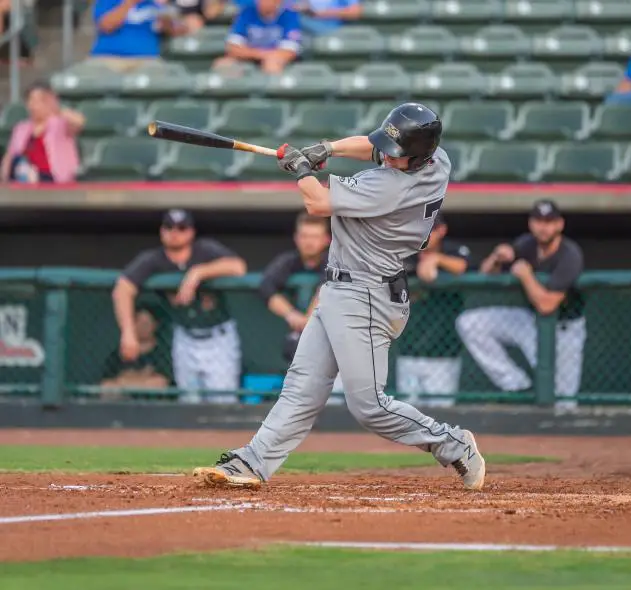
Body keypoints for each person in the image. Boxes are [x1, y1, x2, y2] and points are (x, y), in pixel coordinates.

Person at [194, 102, 486, 491]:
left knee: (370, 406)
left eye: (399, 155)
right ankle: (252, 461)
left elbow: (316, 201)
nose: (389, 158)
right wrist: (326, 149)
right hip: (342, 289)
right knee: (302, 387)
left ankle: (454, 444)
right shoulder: (437, 161)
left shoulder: (389, 187)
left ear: (419, 156)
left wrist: (300, 169)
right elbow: (373, 146)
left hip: (366, 295)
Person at [456, 200, 586, 410]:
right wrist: (497, 257)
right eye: (538, 221)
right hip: (530, 322)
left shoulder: (569, 254)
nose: (543, 227)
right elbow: (485, 272)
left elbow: (547, 305)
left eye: (549, 221)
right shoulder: (526, 244)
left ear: (559, 224)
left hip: (565, 329)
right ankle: (516, 385)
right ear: (531, 223)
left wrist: (526, 277)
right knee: (470, 323)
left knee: (564, 403)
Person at [112, 209, 247, 404]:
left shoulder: (205, 250)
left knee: (222, 405)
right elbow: (123, 288)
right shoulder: (154, 259)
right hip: (185, 338)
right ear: (161, 231)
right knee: (188, 404)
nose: (175, 232)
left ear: (191, 232)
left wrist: (198, 273)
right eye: (169, 227)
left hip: (218, 339)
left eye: (181, 228)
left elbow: (238, 267)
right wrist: (128, 332)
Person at [259, 212, 344, 395]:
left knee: (336, 400)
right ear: (296, 238)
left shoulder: (337, 259)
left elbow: (328, 287)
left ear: (326, 239)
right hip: (307, 344)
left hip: (338, 342)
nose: (309, 242)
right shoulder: (289, 262)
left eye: (314, 236)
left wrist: (307, 320)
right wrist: (291, 314)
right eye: (305, 236)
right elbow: (266, 287)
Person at [398, 212, 473, 407]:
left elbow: (463, 266)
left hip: (443, 357)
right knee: (405, 418)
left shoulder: (452, 250)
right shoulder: (405, 253)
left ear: (441, 231)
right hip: (408, 353)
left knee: (442, 419)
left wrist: (436, 259)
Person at [1, 82, 84, 184]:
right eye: (31, 100)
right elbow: (10, 156)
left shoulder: (61, 124)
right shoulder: (21, 128)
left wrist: (57, 110)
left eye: (40, 101)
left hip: (54, 179)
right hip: (24, 178)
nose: (34, 105)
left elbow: (79, 122)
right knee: (19, 163)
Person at [90, 0, 185, 73]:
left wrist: (166, 18)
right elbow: (106, 26)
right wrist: (130, 2)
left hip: (147, 58)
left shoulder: (153, 5)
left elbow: (175, 31)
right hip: (110, 57)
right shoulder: (109, 1)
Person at [214, 0, 301, 74]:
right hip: (249, 58)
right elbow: (232, 48)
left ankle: (270, 93)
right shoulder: (247, 12)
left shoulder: (289, 15)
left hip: (274, 60)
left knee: (272, 65)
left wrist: (266, 57)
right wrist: (261, 54)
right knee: (223, 64)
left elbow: (289, 52)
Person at [100, 309, 172, 398]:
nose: (142, 326)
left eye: (146, 323)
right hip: (123, 407)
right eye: (138, 322)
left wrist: (124, 381)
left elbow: (160, 385)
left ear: (155, 325)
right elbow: (106, 386)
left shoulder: (163, 353)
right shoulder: (119, 354)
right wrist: (144, 380)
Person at [292, 0, 361, 36]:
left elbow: (355, 12)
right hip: (304, 20)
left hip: (329, 26)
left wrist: (320, 13)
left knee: (293, 19)